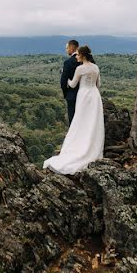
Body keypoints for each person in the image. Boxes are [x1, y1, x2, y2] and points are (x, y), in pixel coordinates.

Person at [44, 45, 104, 175]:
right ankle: (93, 147)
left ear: (82, 55)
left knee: (80, 121)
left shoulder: (80, 68)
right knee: (93, 122)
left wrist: (64, 75)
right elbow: (98, 84)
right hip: (95, 96)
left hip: (83, 96)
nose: (76, 56)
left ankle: (79, 146)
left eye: (77, 55)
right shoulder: (96, 67)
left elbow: (72, 84)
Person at [60, 39, 81, 125]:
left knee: (73, 120)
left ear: (71, 48)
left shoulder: (68, 63)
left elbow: (63, 82)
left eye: (67, 48)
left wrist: (66, 94)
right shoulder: (87, 61)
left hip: (72, 95)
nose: (66, 50)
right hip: (86, 95)